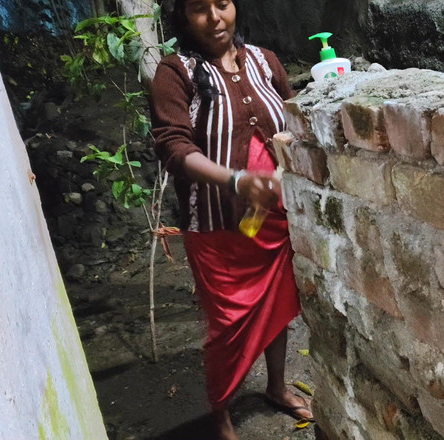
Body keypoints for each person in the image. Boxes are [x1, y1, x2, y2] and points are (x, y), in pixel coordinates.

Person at [149, 0, 312, 438]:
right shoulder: (175, 72)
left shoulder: (265, 60)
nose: (215, 17)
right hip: (219, 225)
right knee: (227, 328)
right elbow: (174, 147)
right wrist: (237, 181)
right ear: (183, 17)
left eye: (222, 3)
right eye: (200, 8)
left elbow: (296, 118)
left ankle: (276, 387)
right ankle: (220, 412)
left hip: (271, 220)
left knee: (278, 309)